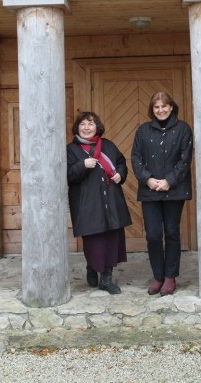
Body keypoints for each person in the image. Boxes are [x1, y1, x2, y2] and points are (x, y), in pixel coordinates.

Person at [131, 92, 193, 296]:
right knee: (154, 235)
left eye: (164, 106)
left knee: (172, 233)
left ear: (171, 107)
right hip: (149, 191)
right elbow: (136, 158)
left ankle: (170, 276)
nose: (161, 110)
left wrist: (169, 181)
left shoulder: (183, 129)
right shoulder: (143, 130)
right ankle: (158, 275)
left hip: (174, 190)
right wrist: (148, 179)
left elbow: (185, 159)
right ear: (152, 109)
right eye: (157, 107)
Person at [66, 111, 132, 294]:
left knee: (112, 238)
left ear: (97, 127)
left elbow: (121, 162)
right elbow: (67, 176)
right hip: (87, 202)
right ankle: (92, 266)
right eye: (83, 124)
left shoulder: (108, 145)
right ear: (77, 128)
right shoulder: (70, 150)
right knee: (94, 240)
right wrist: (81, 166)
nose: (87, 128)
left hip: (111, 199)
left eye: (91, 124)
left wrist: (121, 173)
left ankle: (106, 279)